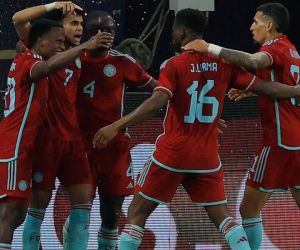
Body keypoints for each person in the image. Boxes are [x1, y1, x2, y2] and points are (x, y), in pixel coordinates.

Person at [92, 8, 300, 250]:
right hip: (207, 156)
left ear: (180, 31)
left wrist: (116, 125)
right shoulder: (226, 65)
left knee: (137, 212)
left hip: (174, 154)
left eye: (172, 30)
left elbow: (157, 102)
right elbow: (271, 89)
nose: (172, 34)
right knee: (224, 218)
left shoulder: (173, 64)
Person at [183, 3, 300, 249]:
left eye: (256, 22)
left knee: (248, 209)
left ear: (269, 25)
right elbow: (291, 92)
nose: (251, 27)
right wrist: (255, 93)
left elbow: (253, 61)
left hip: (279, 142)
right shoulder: (292, 51)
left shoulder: (274, 48)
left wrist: (210, 48)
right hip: (297, 139)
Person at [12, 2, 114, 250]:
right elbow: (18, 19)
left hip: (74, 143)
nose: (80, 28)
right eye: (73, 23)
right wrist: (54, 4)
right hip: (44, 142)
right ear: (58, 29)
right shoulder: (42, 51)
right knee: (37, 210)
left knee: (83, 206)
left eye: (81, 23)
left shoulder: (83, 54)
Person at [76, 10, 157, 250]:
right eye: (102, 30)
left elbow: (161, 93)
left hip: (115, 150)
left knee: (111, 216)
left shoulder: (123, 62)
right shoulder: (73, 60)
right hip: (80, 150)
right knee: (80, 213)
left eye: (111, 30)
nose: (108, 35)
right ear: (90, 33)